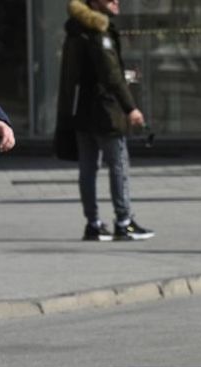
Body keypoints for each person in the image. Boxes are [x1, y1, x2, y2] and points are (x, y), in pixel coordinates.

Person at [56, 0, 154, 242]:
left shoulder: (75, 30)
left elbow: (83, 73)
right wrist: (130, 107)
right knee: (118, 165)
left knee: (88, 168)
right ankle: (124, 222)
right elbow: (110, 75)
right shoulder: (98, 31)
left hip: (81, 110)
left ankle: (93, 224)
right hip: (105, 109)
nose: (117, 1)